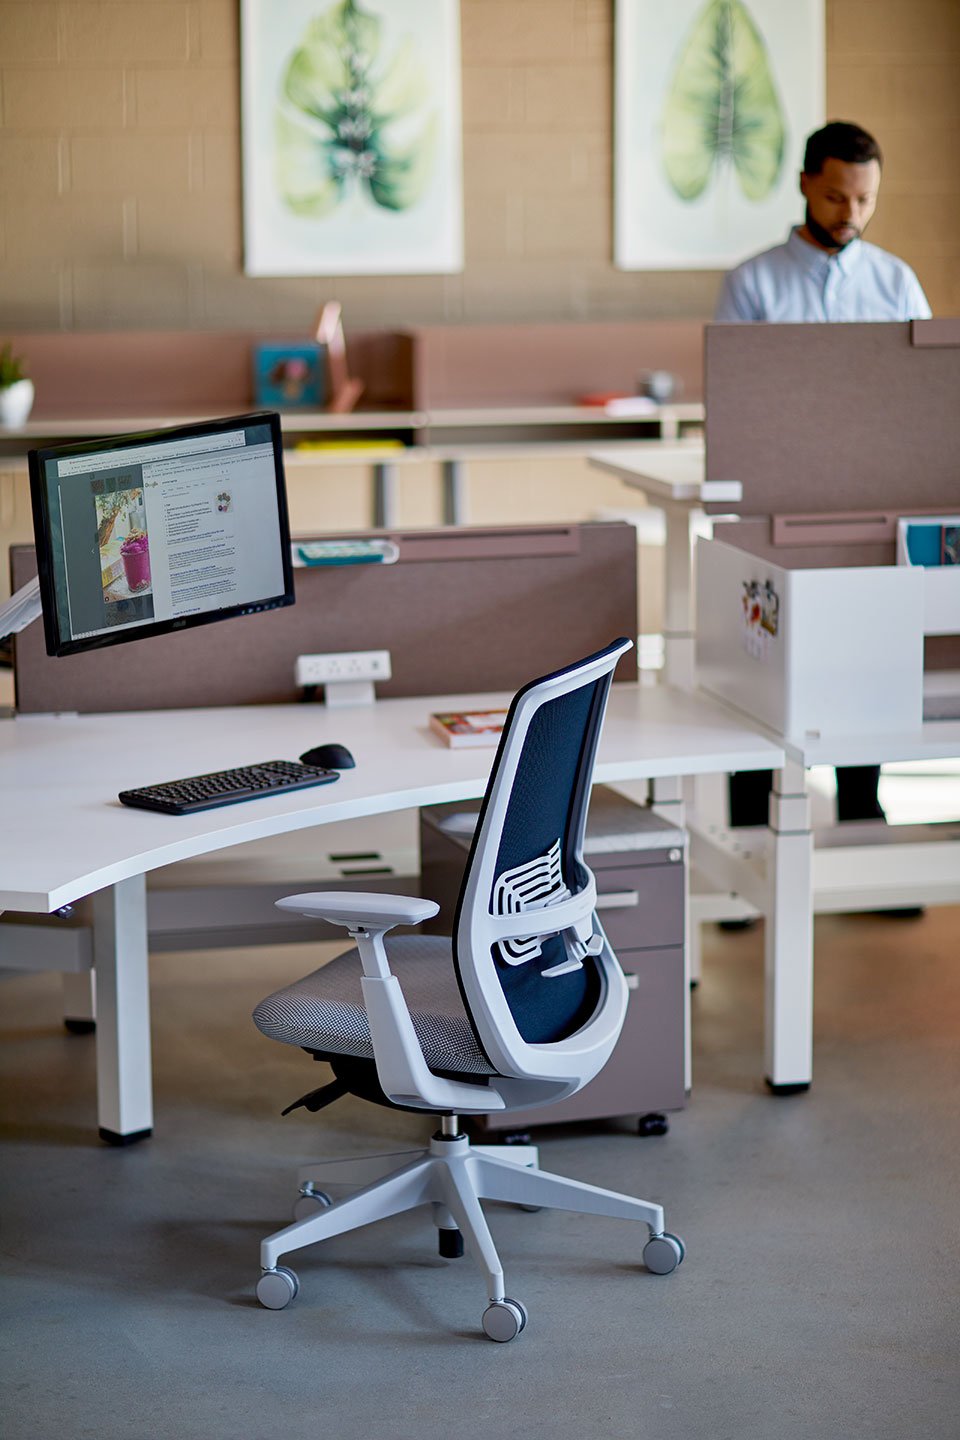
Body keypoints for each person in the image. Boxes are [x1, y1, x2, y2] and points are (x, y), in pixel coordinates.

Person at [715, 120, 932, 833]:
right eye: (838, 197)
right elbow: (735, 401)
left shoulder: (895, 280)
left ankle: (865, 821)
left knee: (867, 660)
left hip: (867, 505)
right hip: (773, 506)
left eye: (865, 200)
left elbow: (929, 392)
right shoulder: (751, 282)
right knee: (761, 663)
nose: (851, 215)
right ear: (807, 183)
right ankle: (749, 835)